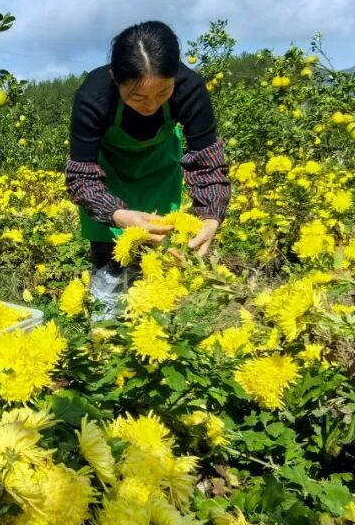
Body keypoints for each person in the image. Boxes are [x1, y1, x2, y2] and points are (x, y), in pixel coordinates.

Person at [65, 21, 231, 315]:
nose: (151, 104)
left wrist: (210, 216)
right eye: (137, 96)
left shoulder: (190, 88)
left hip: (159, 170)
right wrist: (117, 214)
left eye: (163, 92)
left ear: (176, 77)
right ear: (116, 77)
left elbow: (208, 161)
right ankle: (105, 334)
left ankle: (155, 321)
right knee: (110, 260)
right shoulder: (93, 97)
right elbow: (81, 176)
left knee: (160, 255)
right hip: (107, 177)